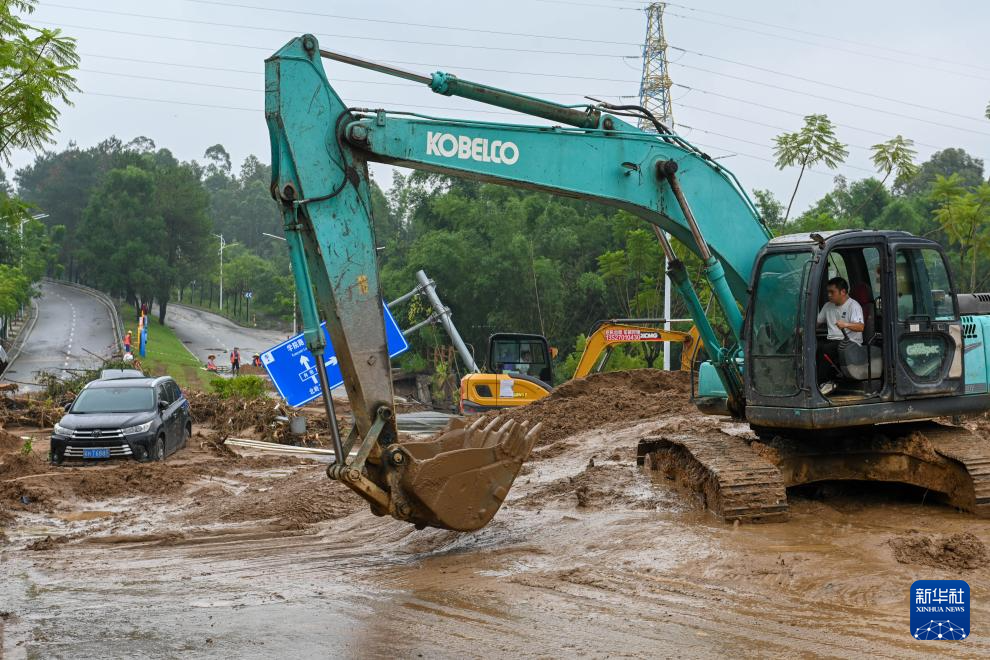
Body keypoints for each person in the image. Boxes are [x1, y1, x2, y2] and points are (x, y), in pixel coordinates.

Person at [816, 276, 865, 395]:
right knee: (813, 346)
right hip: (832, 341)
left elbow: (860, 327)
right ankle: (816, 380)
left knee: (825, 349)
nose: (829, 295)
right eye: (828, 292)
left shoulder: (853, 306)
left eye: (832, 292)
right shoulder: (828, 306)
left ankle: (824, 382)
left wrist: (846, 324)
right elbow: (817, 322)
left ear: (843, 292)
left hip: (849, 342)